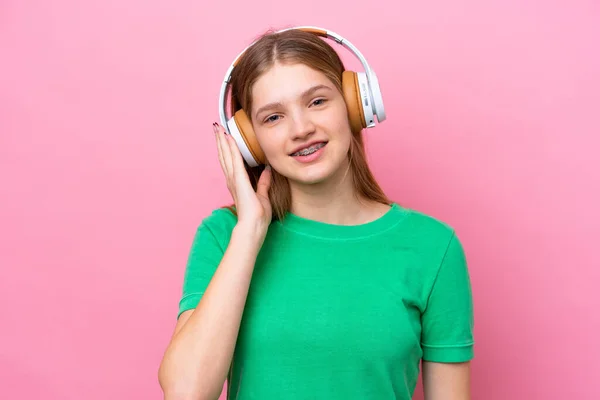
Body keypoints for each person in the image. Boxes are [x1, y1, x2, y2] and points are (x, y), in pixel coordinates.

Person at [158, 26, 475, 400]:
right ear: (250, 142)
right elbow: (186, 393)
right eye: (273, 117)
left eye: (317, 102)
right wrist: (249, 231)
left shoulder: (432, 248)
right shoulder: (224, 235)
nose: (301, 129)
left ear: (356, 105)